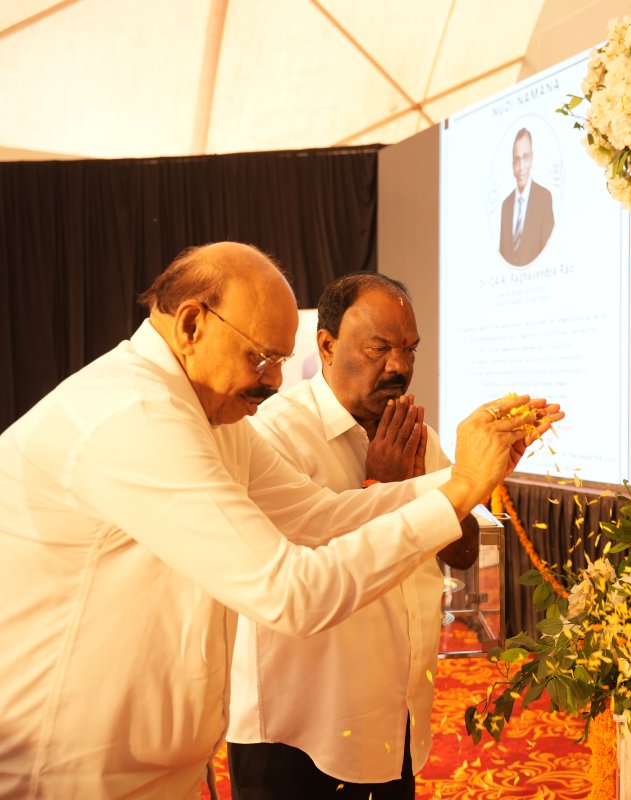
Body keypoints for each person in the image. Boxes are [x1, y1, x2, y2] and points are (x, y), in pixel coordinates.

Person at [0, 242, 560, 799]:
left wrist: (465, 478)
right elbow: (290, 592)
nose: (272, 382)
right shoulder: (136, 416)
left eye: (280, 362)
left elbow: (320, 515)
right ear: (192, 324)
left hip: (141, 765)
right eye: (261, 358)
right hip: (66, 769)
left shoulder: (207, 413)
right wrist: (459, 487)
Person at [226, 273, 484, 798]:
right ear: (326, 345)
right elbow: (298, 574)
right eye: (379, 348)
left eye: (409, 349)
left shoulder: (416, 434)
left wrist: (423, 484)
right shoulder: (273, 433)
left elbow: (463, 551)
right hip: (298, 723)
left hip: (395, 711)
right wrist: (385, 488)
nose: (399, 366)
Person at [499, 128, 555, 266]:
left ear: (532, 158)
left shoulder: (544, 198)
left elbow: (550, 253)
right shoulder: (506, 205)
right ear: (512, 163)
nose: (521, 166)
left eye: (525, 157)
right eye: (517, 159)